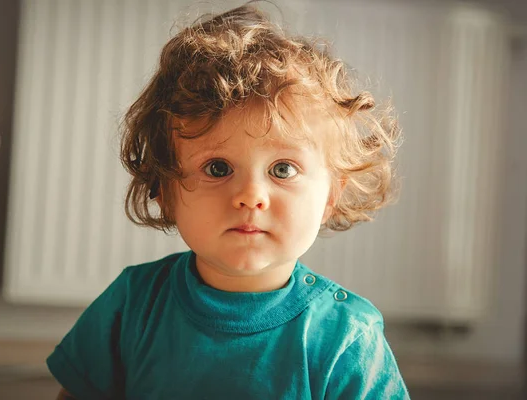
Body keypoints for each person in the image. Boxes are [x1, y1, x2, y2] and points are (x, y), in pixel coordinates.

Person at [48, 2, 409, 399]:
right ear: (165, 189)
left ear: (330, 196)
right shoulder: (134, 303)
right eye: (218, 168)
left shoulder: (347, 338)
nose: (250, 196)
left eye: (283, 170)